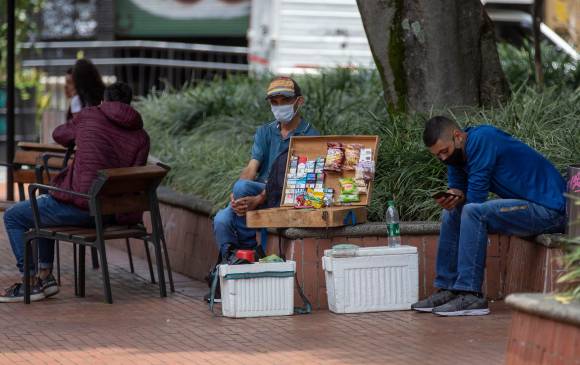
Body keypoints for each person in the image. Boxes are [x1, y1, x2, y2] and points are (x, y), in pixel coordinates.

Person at [1, 82, 150, 302]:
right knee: (43, 204)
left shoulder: (90, 116)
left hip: (81, 206)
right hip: (109, 214)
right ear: (129, 104)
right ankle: (45, 277)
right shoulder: (141, 136)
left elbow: (59, 134)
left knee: (13, 216)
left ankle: (30, 282)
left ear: (103, 101)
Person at [411, 116, 566, 316]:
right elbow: (458, 189)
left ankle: (471, 294)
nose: (442, 158)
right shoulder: (455, 155)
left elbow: (476, 199)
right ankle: (449, 288)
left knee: (473, 211)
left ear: (458, 137)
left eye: (444, 152)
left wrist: (462, 199)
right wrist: (453, 198)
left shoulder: (482, 139)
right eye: (437, 155)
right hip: (527, 208)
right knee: (452, 213)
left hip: (550, 210)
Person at [213, 76, 320, 261]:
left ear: (299, 101)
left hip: (285, 193)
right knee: (221, 220)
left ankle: (249, 250)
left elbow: (298, 181)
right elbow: (251, 168)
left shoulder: (309, 135)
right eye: (274, 102)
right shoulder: (265, 131)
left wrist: (259, 198)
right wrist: (236, 195)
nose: (279, 106)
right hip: (257, 191)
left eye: (285, 100)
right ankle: (229, 262)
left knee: (241, 192)